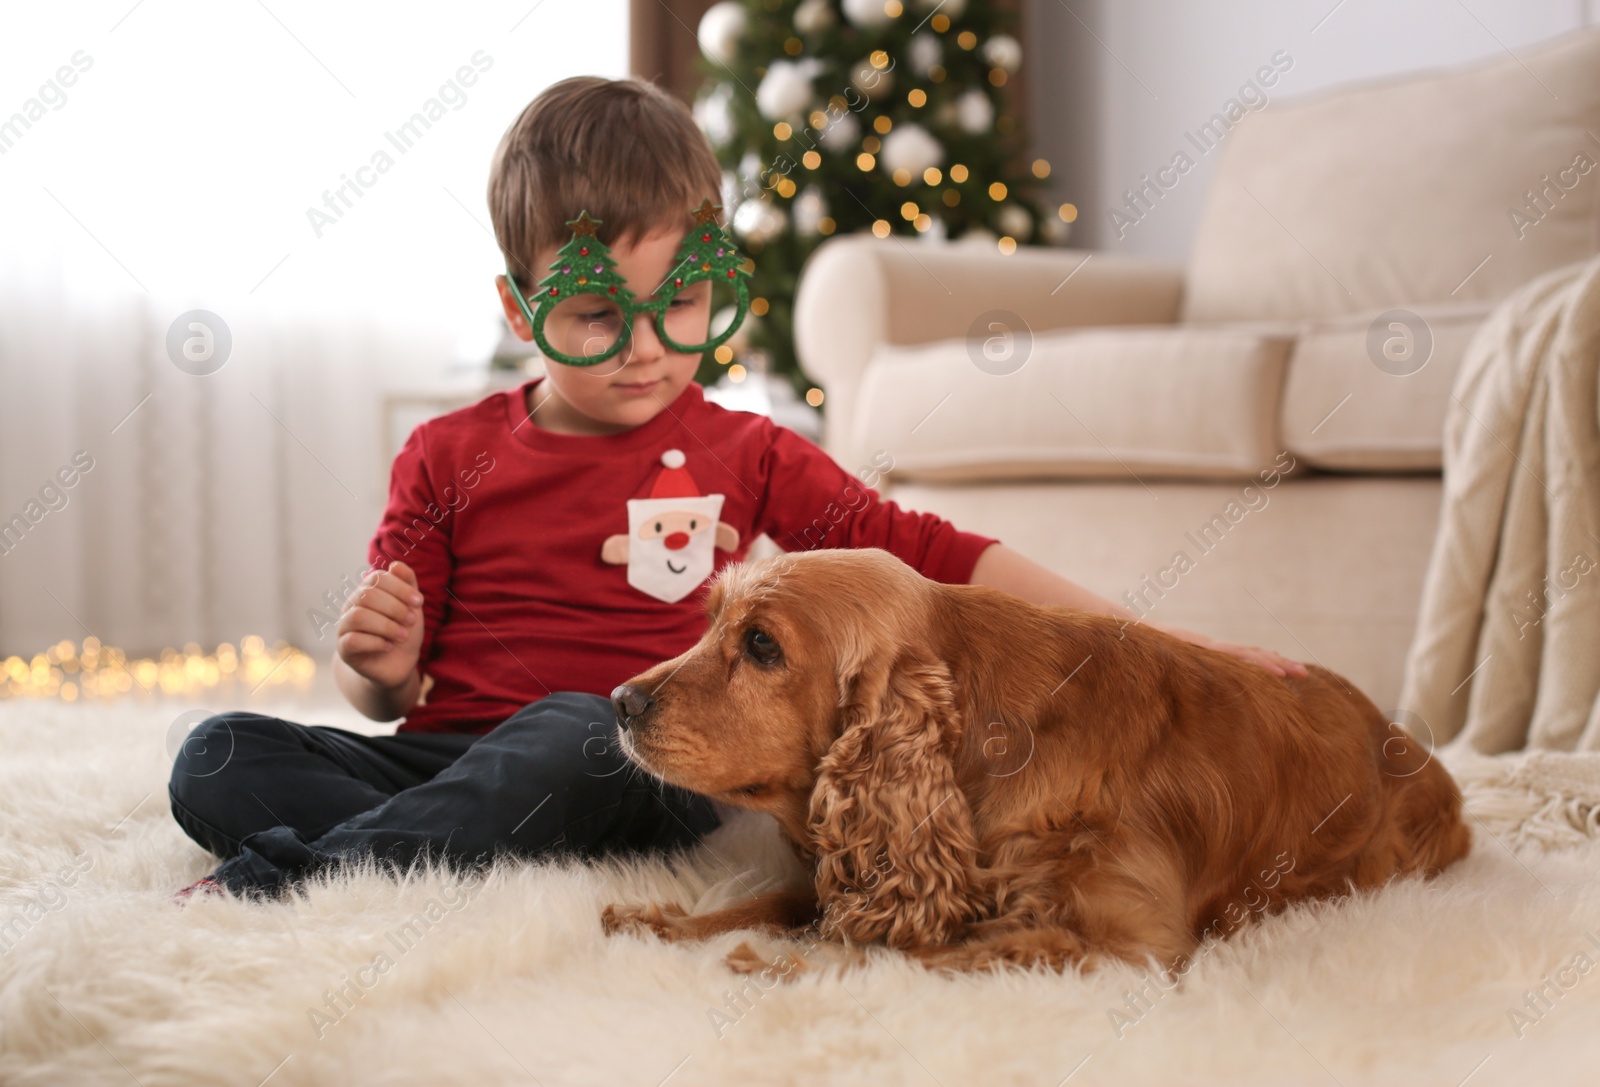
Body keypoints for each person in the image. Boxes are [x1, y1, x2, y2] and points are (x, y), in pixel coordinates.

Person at [168, 76, 1306, 902]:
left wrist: (1162, 643)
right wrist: (375, 676)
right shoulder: (443, 452)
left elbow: (930, 553)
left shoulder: (746, 452)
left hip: (642, 750)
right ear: (520, 313)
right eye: (596, 314)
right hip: (450, 747)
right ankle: (462, 839)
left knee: (572, 733)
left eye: (684, 304)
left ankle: (315, 874)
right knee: (216, 756)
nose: (648, 348)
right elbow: (385, 693)